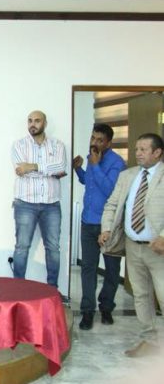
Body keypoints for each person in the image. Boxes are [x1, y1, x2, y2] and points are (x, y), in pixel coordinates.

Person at [100, 133, 164, 358]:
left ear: (157, 152)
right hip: (133, 247)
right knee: (141, 295)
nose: (138, 153)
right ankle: (150, 341)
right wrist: (106, 228)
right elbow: (112, 204)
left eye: (143, 150)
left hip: (159, 249)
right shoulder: (127, 175)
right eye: (136, 149)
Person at [73, 123, 125, 330]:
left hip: (109, 226)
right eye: (93, 138)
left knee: (112, 270)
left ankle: (106, 308)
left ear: (108, 143)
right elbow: (89, 182)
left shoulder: (117, 163)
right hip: (88, 223)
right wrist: (79, 169)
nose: (94, 143)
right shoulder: (91, 157)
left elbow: (110, 190)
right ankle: (87, 311)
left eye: (99, 140)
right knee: (88, 268)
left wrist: (95, 165)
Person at [11, 110, 67, 289]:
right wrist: (50, 171)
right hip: (25, 203)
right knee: (22, 247)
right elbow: (21, 170)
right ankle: (18, 289)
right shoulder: (19, 145)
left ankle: (52, 289)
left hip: (51, 204)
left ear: (45, 123)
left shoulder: (58, 145)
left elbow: (61, 167)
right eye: (30, 121)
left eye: (37, 121)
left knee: (53, 248)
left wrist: (33, 166)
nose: (32, 124)